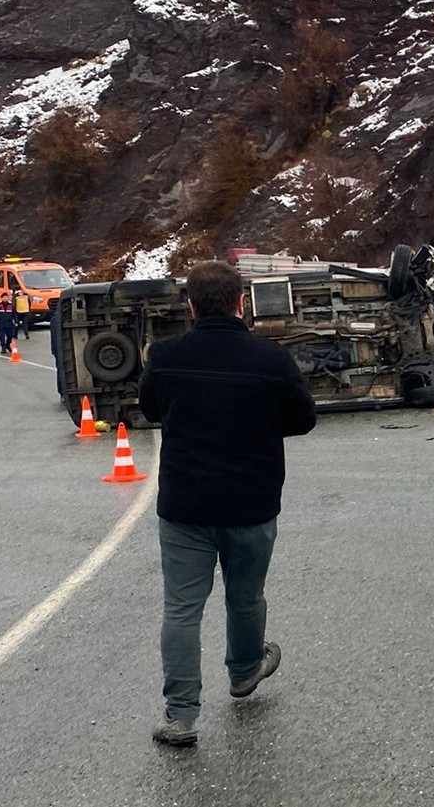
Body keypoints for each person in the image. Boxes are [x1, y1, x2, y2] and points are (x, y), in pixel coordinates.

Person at [139, 260, 317, 748]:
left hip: (185, 507)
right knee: (245, 596)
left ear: (191, 306)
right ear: (241, 302)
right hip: (251, 504)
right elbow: (303, 420)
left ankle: (180, 716)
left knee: (181, 608)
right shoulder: (271, 360)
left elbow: (150, 409)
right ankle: (243, 672)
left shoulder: (166, 356)